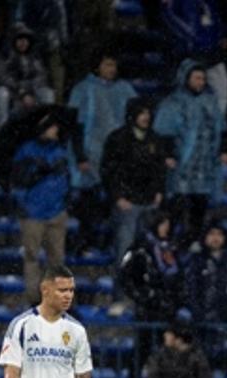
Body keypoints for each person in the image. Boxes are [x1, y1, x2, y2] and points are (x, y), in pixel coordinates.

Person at [154, 59, 227, 247]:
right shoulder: (173, 102)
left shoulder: (210, 101)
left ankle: (194, 240)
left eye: (203, 78)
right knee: (176, 205)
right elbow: (163, 133)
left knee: (200, 204)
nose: (200, 82)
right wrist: (168, 154)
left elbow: (221, 129)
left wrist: (223, 150)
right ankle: (169, 242)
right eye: (196, 78)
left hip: (204, 164)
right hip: (181, 163)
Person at [67, 52, 137, 244]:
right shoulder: (83, 89)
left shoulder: (124, 89)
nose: (111, 69)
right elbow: (75, 125)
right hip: (91, 153)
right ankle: (86, 239)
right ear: (98, 67)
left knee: (113, 198)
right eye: (107, 65)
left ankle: (106, 241)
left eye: (113, 65)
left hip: (117, 155)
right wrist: (80, 155)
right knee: (88, 198)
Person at [101, 98, 174, 270]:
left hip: (149, 203)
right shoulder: (117, 138)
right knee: (125, 251)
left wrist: (159, 193)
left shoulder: (155, 139)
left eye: (148, 113)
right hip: (127, 203)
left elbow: (160, 170)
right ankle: (123, 295)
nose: (146, 117)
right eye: (142, 113)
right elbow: (109, 171)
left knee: (151, 251)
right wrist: (117, 196)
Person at [12, 111, 76, 304]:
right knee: (32, 258)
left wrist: (65, 203)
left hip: (56, 212)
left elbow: (67, 178)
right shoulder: (26, 151)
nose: (56, 130)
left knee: (57, 259)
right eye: (51, 126)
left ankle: (57, 300)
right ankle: (34, 298)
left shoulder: (60, 151)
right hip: (33, 213)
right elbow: (18, 180)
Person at [0, 23, 55, 129]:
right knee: (1, 93)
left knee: (47, 93)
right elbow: (2, 77)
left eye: (26, 39)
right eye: (20, 39)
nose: (23, 43)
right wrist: (22, 92)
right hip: (13, 96)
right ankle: (2, 130)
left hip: (31, 96)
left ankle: (45, 128)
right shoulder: (4, 56)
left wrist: (29, 91)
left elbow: (41, 77)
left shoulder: (35, 57)